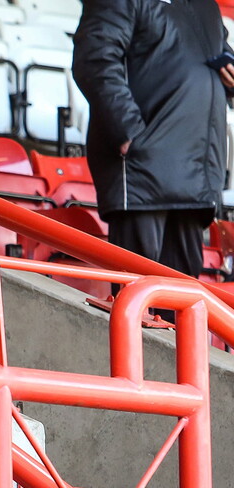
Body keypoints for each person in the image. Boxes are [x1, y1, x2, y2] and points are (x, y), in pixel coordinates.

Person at [72, 0, 233, 287]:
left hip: (196, 169)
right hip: (143, 166)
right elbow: (95, 60)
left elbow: (217, 56)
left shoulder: (205, 5)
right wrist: (128, 132)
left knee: (181, 298)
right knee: (137, 291)